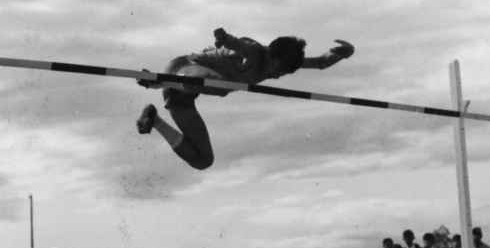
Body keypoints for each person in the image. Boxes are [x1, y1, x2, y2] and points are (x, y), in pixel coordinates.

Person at [135, 28, 355, 170]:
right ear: (270, 53)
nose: (276, 74)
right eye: (276, 68)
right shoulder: (254, 51)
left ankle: (155, 120)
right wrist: (224, 38)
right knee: (213, 81)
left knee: (203, 160)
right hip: (185, 68)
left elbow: (320, 63)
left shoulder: (284, 63)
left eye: (282, 73)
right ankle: (157, 81)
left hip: (184, 94)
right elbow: (238, 44)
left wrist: (344, 53)